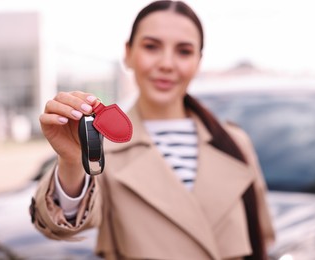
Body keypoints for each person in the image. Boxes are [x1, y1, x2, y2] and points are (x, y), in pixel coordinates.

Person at [30, 1, 275, 259]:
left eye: (184, 51)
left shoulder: (235, 143)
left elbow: (263, 237)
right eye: (151, 47)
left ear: (198, 61)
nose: (167, 63)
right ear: (128, 53)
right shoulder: (102, 147)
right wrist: (71, 162)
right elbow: (63, 224)